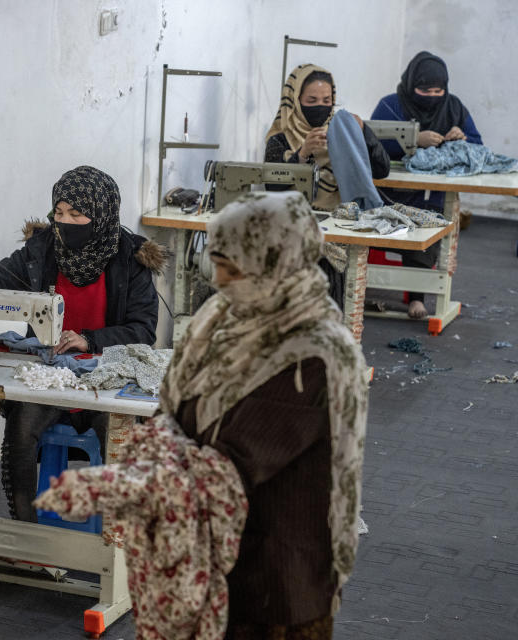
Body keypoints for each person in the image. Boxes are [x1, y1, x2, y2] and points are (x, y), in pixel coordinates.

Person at [0, 165, 164, 521]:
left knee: (118, 436)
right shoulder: (43, 249)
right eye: (59, 212)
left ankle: (119, 543)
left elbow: (143, 330)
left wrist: (89, 340)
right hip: (53, 374)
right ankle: (24, 534)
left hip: (108, 377)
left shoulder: (130, 259)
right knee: (22, 427)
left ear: (101, 215)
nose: (65, 222)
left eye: (76, 214)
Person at [160, 191, 368, 638]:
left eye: (233, 270)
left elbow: (234, 458)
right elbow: (176, 403)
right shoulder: (224, 315)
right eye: (217, 264)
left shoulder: (315, 354)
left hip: (278, 580)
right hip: (218, 563)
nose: (219, 281)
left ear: (278, 265)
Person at [265, 64, 390, 309]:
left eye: (327, 99)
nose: (320, 106)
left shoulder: (342, 132)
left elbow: (381, 170)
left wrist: (364, 134)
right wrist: (300, 155)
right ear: (295, 100)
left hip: (339, 223)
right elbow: (273, 188)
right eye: (311, 100)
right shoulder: (281, 138)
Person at [371, 51, 482, 318]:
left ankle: (416, 297)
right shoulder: (390, 106)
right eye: (424, 90)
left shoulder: (454, 108)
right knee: (396, 217)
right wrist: (413, 141)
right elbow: (371, 145)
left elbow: (478, 146)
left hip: (430, 193)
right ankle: (370, 284)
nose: (432, 96)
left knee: (428, 221)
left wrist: (462, 139)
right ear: (412, 86)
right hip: (388, 191)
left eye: (437, 90)